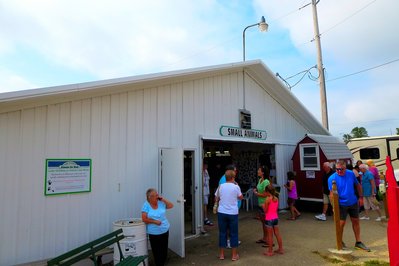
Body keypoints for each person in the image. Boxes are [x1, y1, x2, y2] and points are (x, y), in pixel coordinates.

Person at [328, 160, 370, 251]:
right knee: (341, 224)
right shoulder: (332, 178)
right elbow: (331, 194)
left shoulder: (351, 174)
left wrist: (361, 198)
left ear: (345, 168)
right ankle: (340, 241)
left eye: (341, 169)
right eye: (337, 169)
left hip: (353, 202)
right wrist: (333, 206)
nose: (339, 171)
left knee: (356, 221)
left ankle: (358, 242)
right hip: (341, 204)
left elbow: (358, 185)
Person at [215, 167, 243, 261]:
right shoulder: (236, 187)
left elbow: (216, 198)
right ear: (233, 177)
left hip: (222, 212)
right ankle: (234, 255)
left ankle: (222, 255)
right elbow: (240, 197)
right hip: (232, 213)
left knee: (222, 233)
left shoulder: (221, 186)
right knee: (233, 233)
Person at [141, 188, 174, 266]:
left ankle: (163, 261)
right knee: (157, 251)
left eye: (157, 195)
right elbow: (144, 219)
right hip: (154, 232)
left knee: (164, 249)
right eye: (155, 195)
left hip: (165, 229)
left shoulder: (160, 202)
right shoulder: (146, 205)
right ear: (149, 197)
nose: (157, 196)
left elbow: (171, 206)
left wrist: (163, 199)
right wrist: (154, 221)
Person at [263, 185, 284, 256]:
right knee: (277, 234)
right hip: (275, 218)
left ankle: (270, 251)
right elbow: (275, 208)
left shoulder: (267, 199)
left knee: (270, 236)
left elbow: (265, 211)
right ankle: (281, 249)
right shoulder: (276, 198)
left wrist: (263, 206)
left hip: (269, 219)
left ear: (267, 191)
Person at [253, 166, 270, 245]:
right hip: (260, 204)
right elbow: (259, 189)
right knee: (263, 222)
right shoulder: (260, 180)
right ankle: (264, 238)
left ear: (263, 172)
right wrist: (256, 190)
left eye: (259, 170)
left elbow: (266, 194)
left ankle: (269, 240)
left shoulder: (266, 181)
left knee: (267, 223)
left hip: (265, 205)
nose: (257, 171)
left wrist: (256, 193)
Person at [203, 162, 213, 226]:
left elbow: (207, 181)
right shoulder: (199, 171)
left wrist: (208, 192)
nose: (206, 167)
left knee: (205, 204)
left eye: (207, 165)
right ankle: (205, 219)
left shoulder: (206, 171)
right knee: (203, 205)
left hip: (206, 191)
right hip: (202, 191)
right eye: (205, 165)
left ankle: (205, 218)